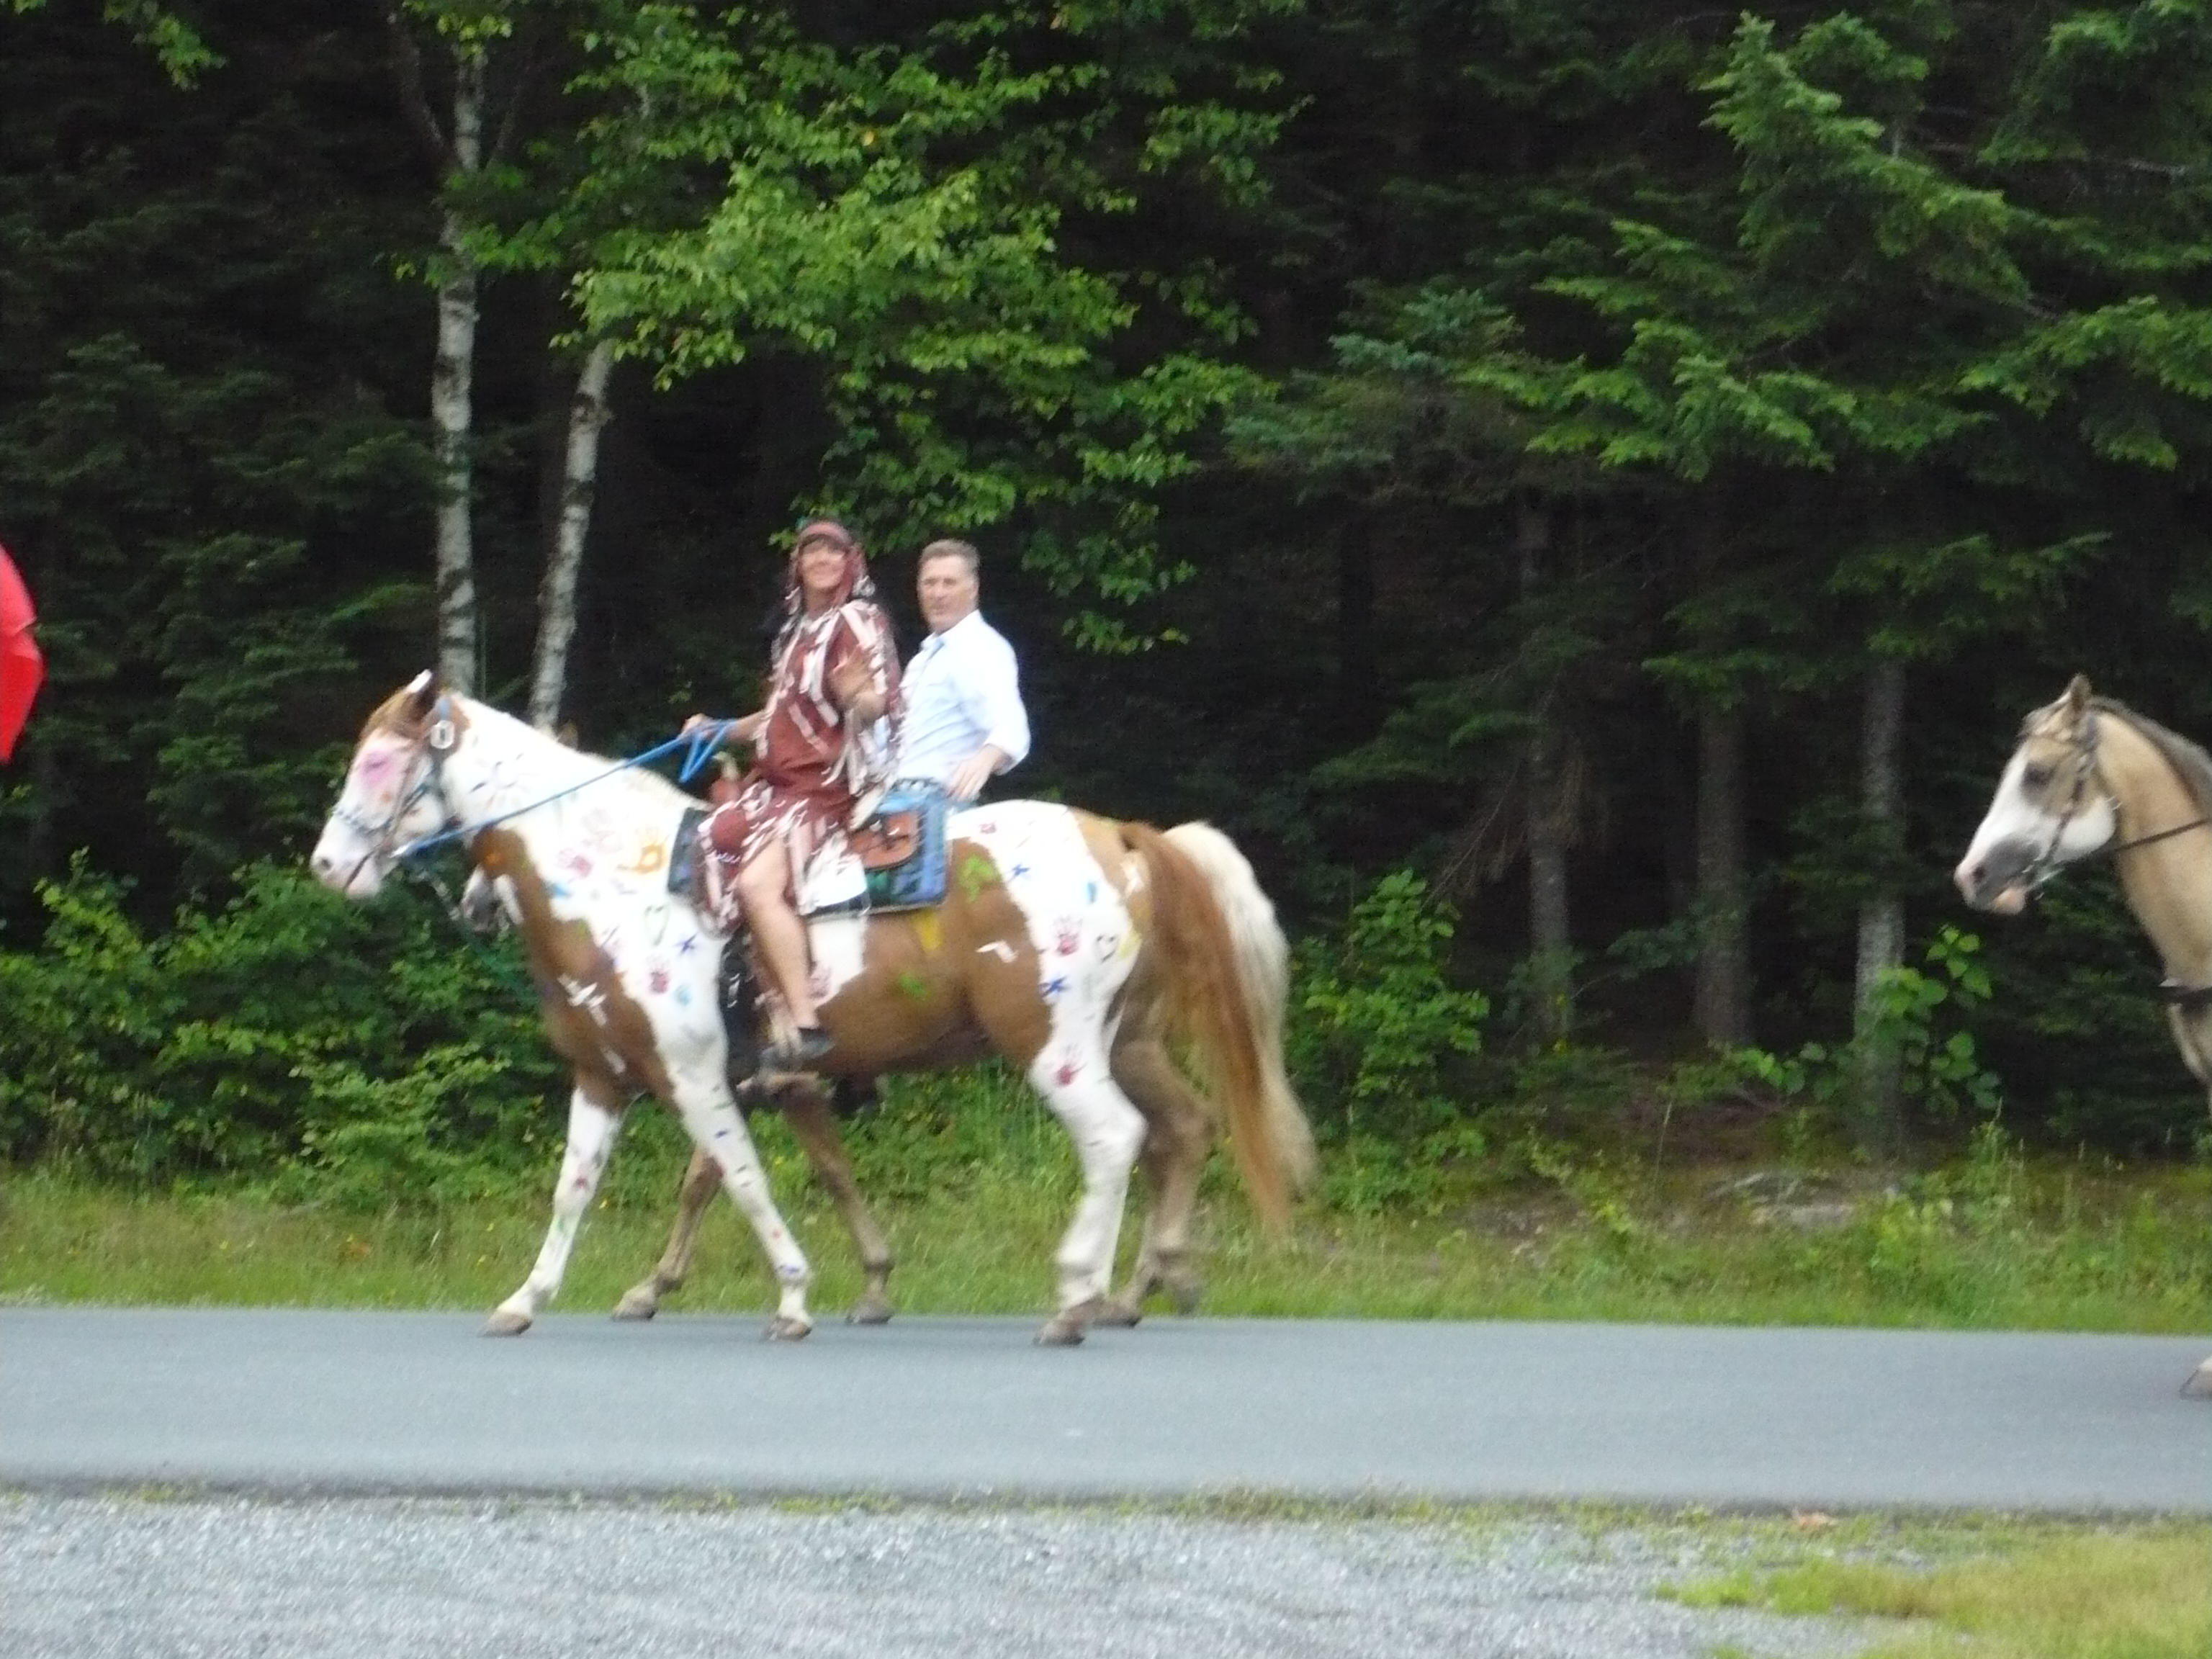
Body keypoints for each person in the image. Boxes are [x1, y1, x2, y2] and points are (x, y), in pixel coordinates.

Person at [688, 518, 900, 1071]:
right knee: (709, 841)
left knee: (759, 887)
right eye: (813, 550)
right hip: (776, 785)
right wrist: (719, 728)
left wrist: (860, 697)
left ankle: (804, 1025)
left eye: (835, 550)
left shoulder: (857, 621)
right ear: (799, 563)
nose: (823, 559)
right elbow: (779, 713)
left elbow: (875, 703)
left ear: (850, 561)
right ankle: (741, 1004)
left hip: (823, 789)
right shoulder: (796, 632)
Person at [894, 539, 1030, 799]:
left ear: (972, 589)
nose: (938, 594)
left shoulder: (982, 648)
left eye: (949, 583)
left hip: (937, 802)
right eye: (930, 583)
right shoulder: (923, 659)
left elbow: (1011, 725)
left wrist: (987, 758)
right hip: (897, 797)